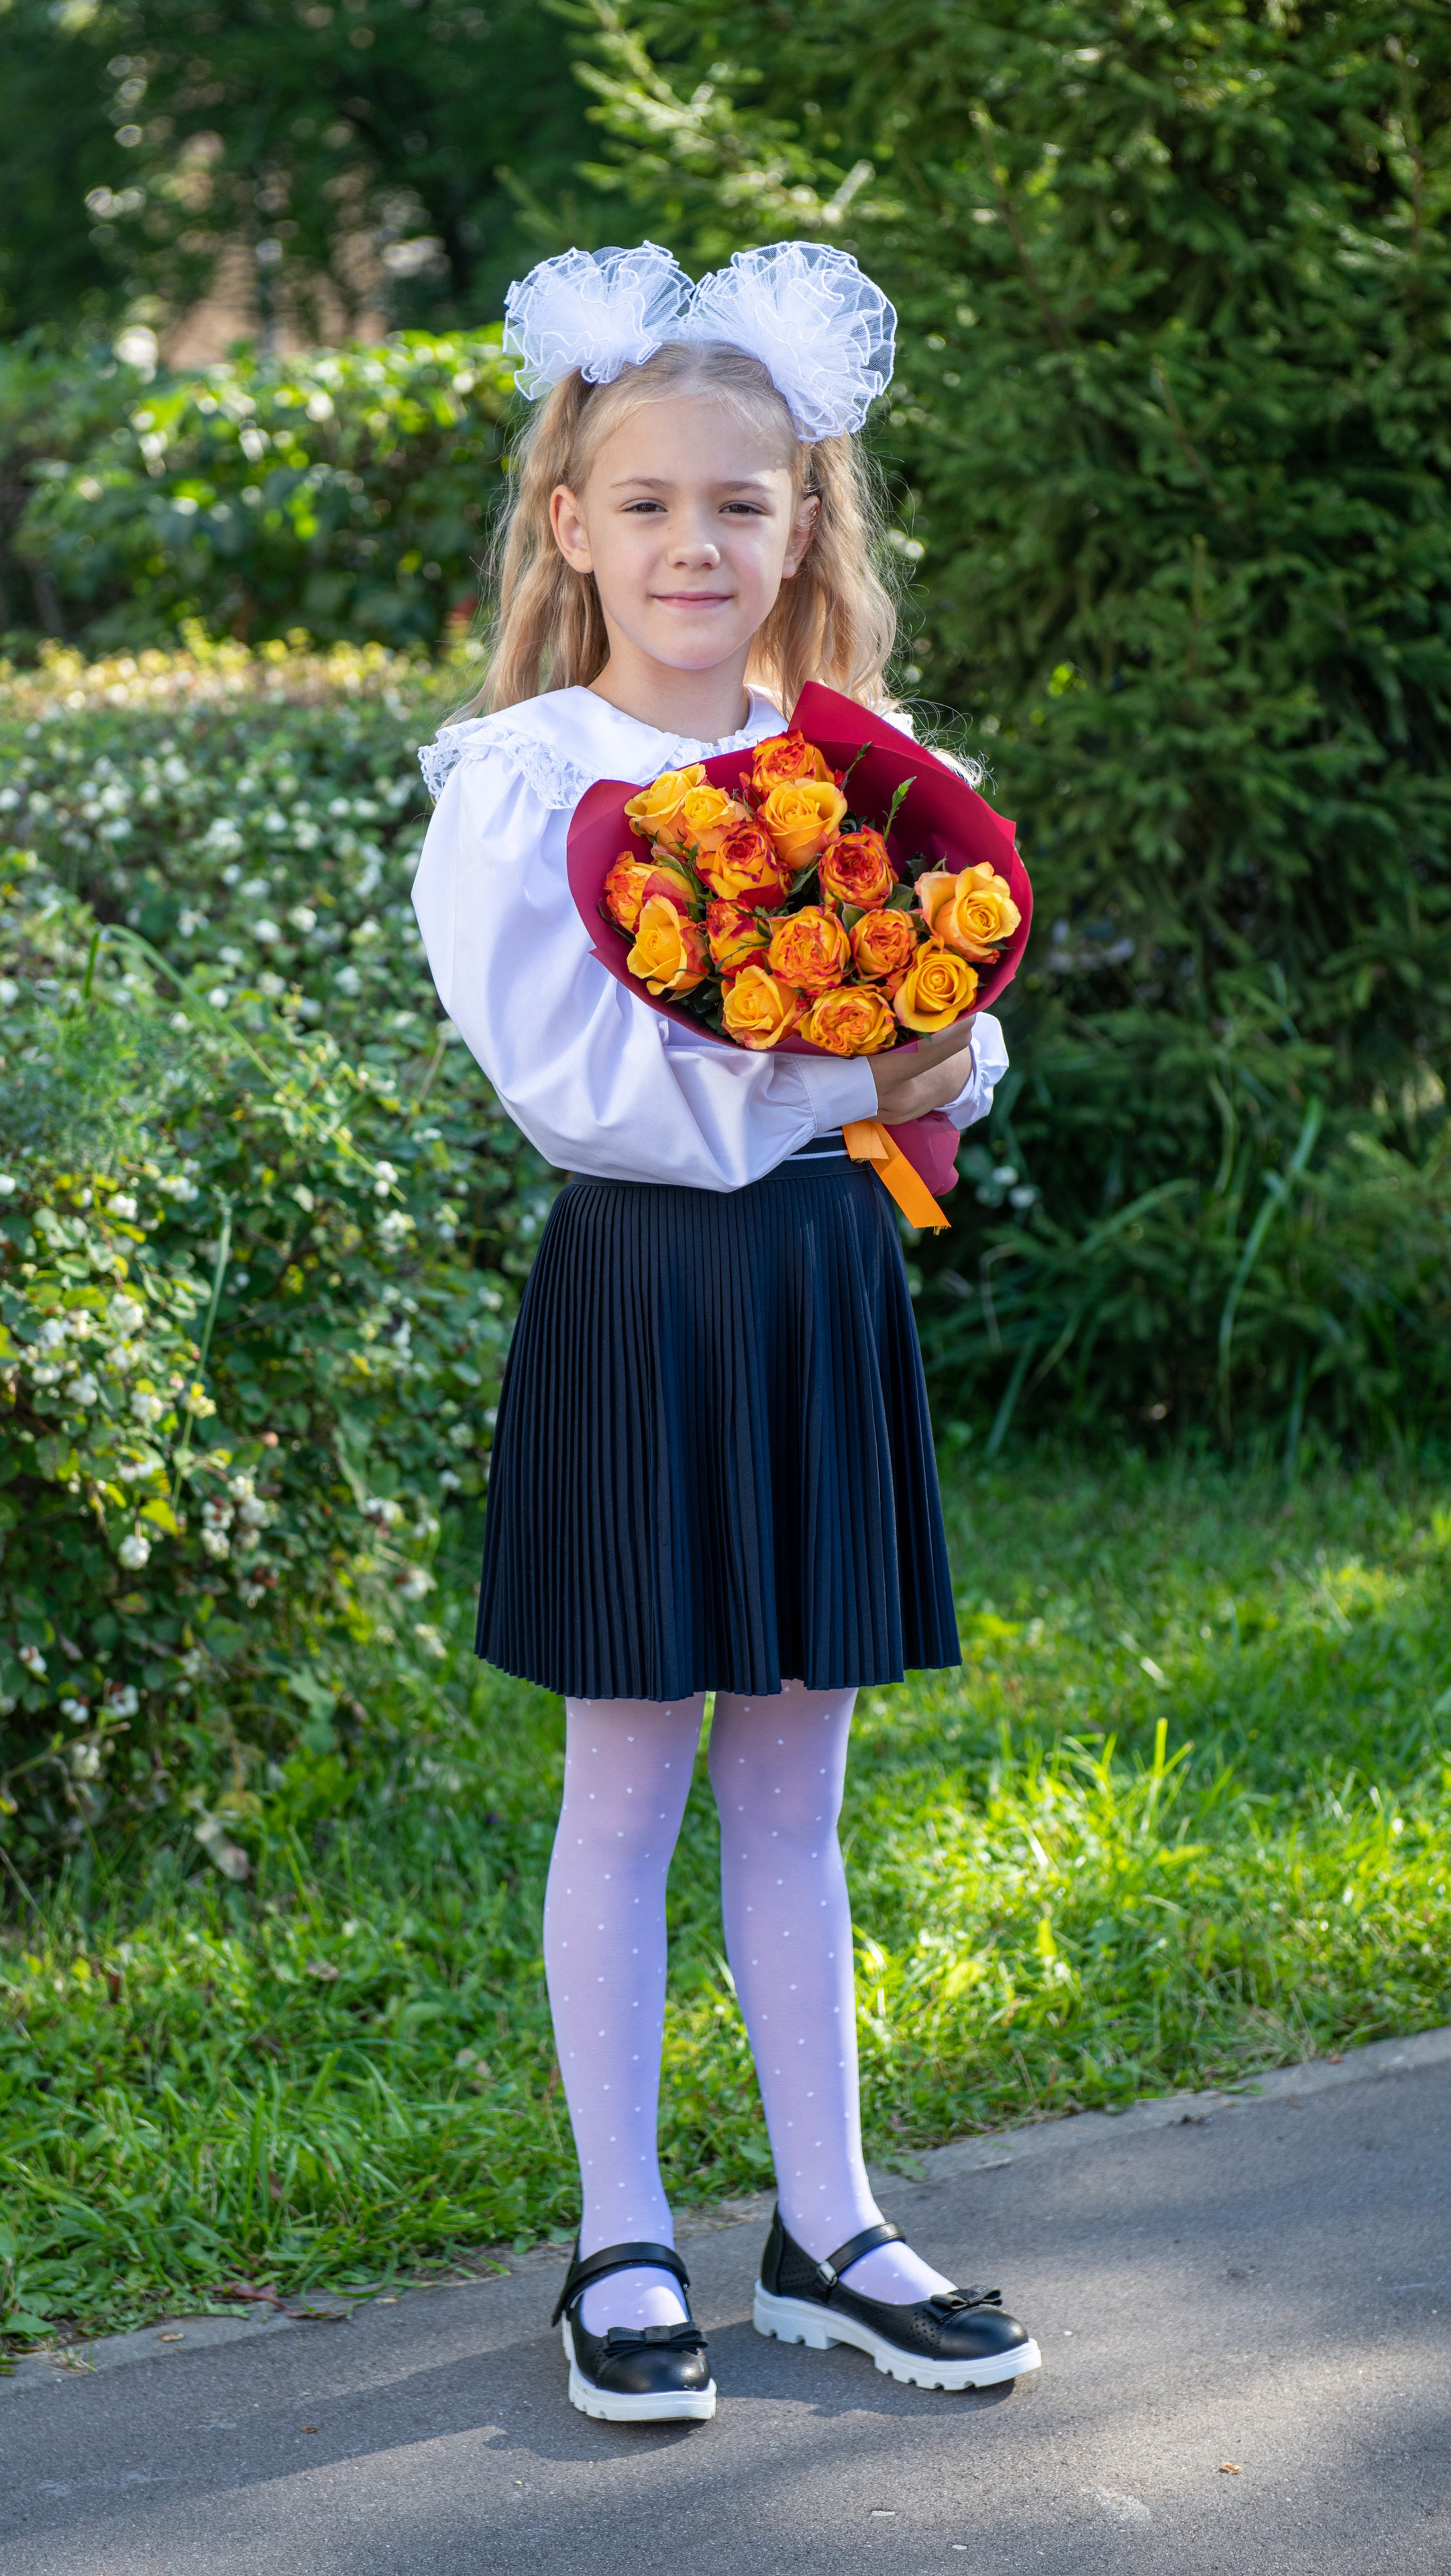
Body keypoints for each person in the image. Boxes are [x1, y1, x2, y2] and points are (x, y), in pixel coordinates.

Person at [413, 241, 1039, 2426]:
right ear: (571, 523)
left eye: (741, 506)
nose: (697, 544)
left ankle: (828, 2225)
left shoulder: (860, 768)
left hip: (816, 1288)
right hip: (649, 1294)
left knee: (797, 1782)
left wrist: (930, 1058)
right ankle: (621, 2239)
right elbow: (584, 1093)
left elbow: (961, 1040)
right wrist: (848, 1072)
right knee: (628, 1778)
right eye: (652, 502)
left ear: (804, 524)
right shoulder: (522, 781)